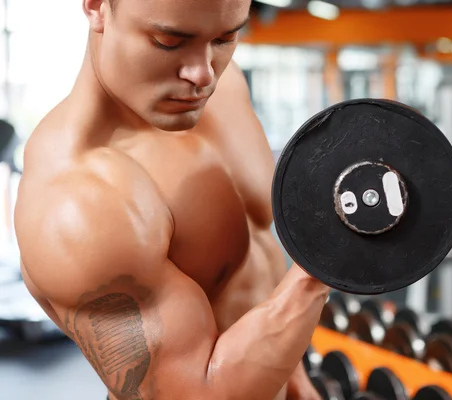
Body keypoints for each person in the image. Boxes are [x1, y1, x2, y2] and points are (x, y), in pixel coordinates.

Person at [13, 0, 330, 399]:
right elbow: (198, 393)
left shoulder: (222, 89)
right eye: (168, 41)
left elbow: (260, 273)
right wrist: (329, 258)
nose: (202, 74)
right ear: (96, 7)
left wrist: (296, 379)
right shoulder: (77, 202)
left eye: (224, 38)